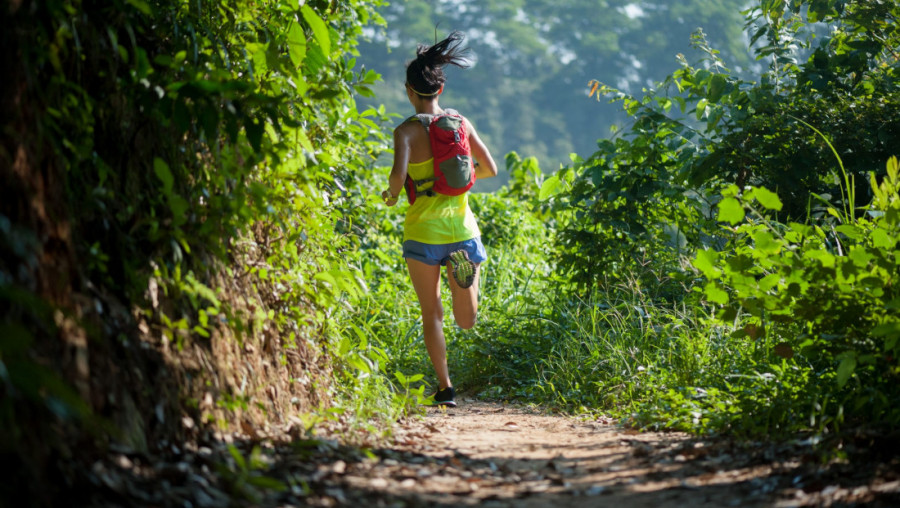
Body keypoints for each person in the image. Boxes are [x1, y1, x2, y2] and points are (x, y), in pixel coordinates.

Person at [381, 31, 498, 408]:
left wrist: (392, 194)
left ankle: (445, 388)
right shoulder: (460, 124)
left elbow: (398, 180)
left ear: (408, 91)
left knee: (431, 312)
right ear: (440, 88)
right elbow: (491, 169)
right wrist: (458, 177)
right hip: (462, 230)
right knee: (467, 320)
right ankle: (464, 276)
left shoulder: (405, 132)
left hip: (422, 234)